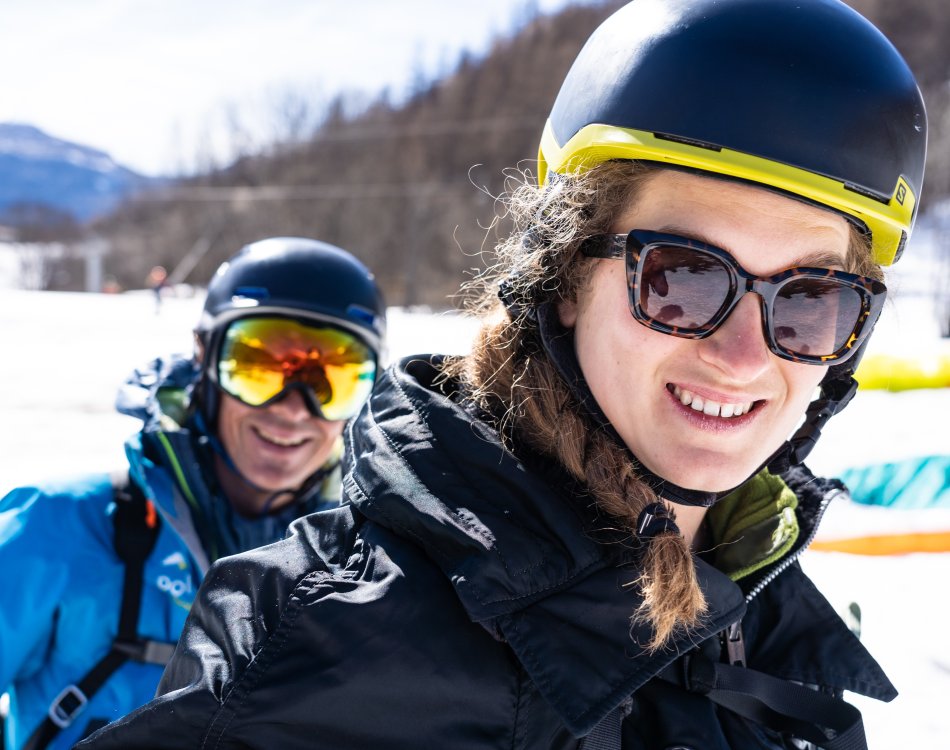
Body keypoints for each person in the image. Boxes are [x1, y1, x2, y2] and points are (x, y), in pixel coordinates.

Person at [78, 1, 927, 748]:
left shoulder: (755, 606)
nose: (746, 355)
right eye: (681, 278)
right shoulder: (327, 655)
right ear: (562, 282)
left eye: (810, 298)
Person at [0, 236, 385, 750]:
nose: (294, 409)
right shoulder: (59, 527)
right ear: (205, 356)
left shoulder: (369, 572)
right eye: (260, 366)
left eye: (332, 378)